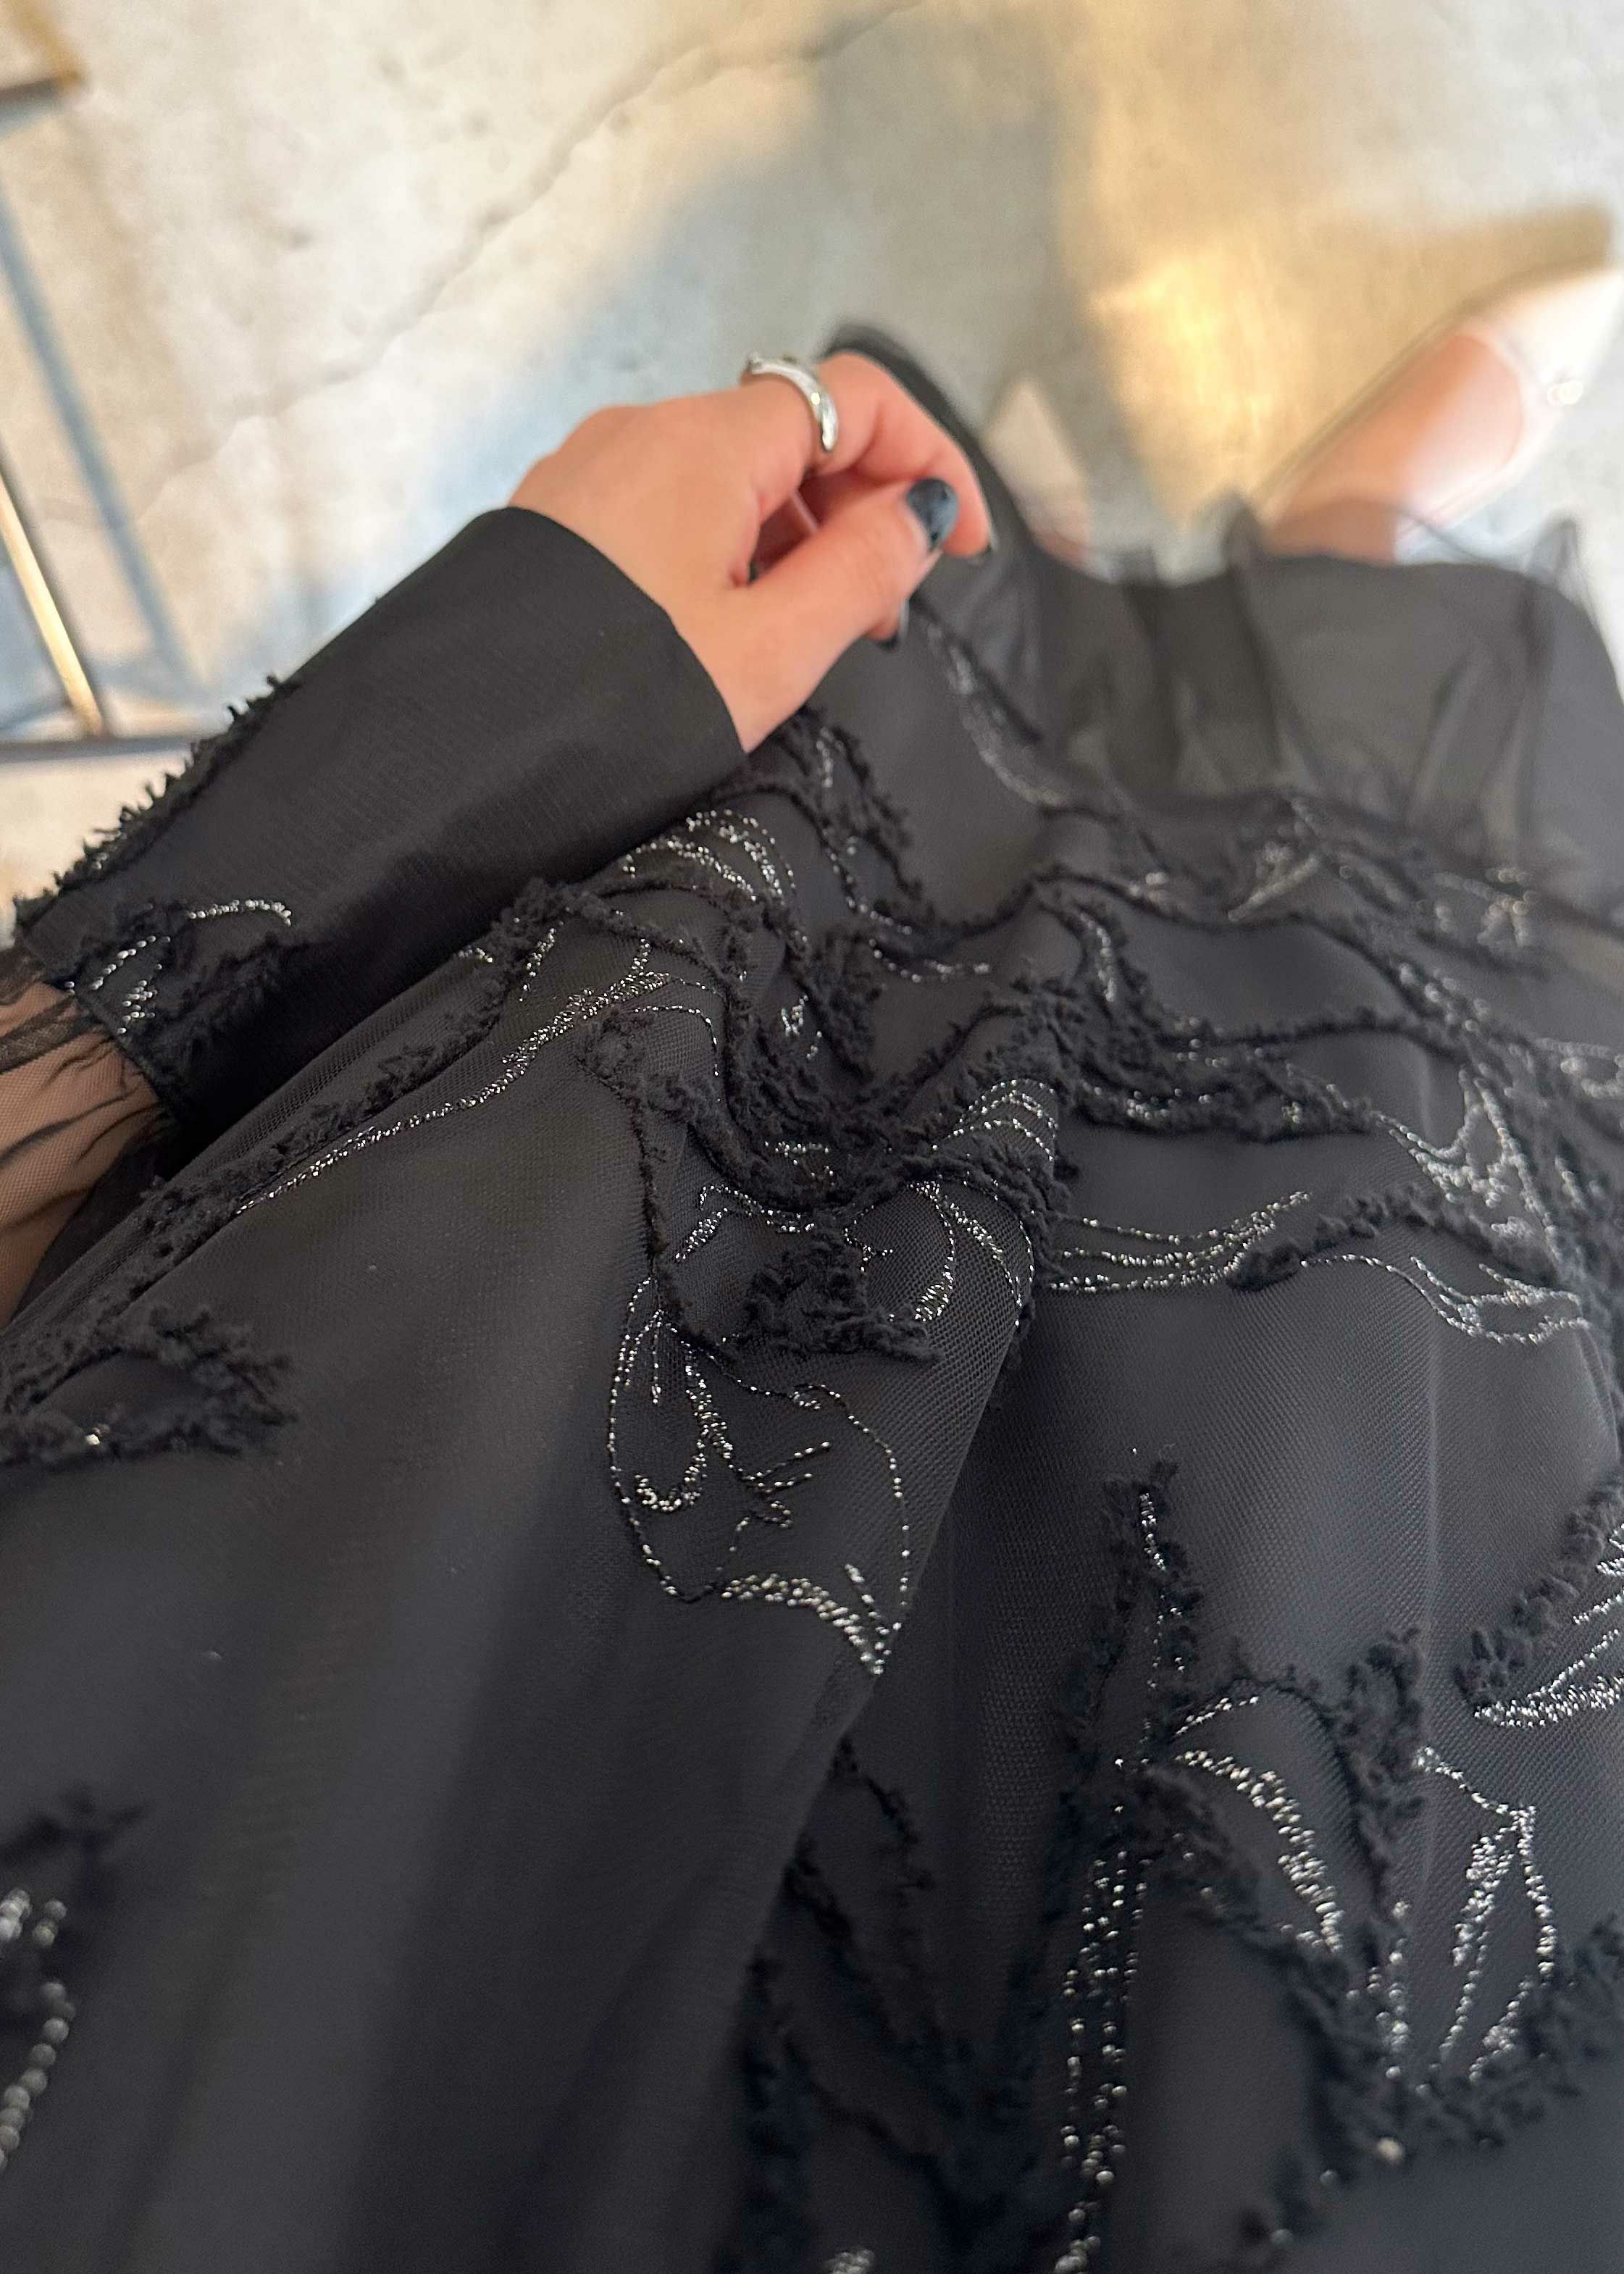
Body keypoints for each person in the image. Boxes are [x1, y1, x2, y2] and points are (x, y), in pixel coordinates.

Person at [0, 264, 1620, 2274]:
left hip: (456, 1359)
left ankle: (1115, 580)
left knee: (896, 777)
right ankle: (1350, 550)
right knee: (1354, 1157)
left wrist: (464, 734)